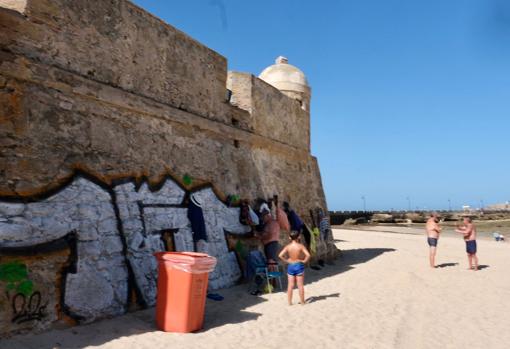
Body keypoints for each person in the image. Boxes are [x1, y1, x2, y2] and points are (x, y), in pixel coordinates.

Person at [278, 231, 311, 305]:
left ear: (289, 237)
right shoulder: (301, 246)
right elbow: (308, 255)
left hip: (291, 265)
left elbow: (280, 255)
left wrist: (287, 261)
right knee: (300, 285)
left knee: (290, 285)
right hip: (299, 265)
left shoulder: (288, 246)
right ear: (298, 237)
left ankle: (289, 302)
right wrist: (304, 261)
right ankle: (302, 302)